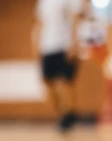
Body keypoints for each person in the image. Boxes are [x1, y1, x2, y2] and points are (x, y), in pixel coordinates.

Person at [32, 0, 86, 132]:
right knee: (48, 82)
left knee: (64, 82)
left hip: (63, 45)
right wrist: (36, 46)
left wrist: (74, 42)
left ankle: (69, 114)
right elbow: (39, 24)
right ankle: (62, 114)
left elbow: (75, 19)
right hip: (47, 47)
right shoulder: (43, 3)